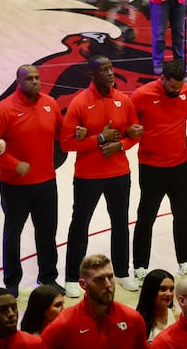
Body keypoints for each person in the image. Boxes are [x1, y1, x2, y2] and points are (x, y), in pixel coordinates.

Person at [59, 56, 141, 298]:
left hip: (119, 173)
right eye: (103, 70)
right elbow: (66, 143)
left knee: (120, 223)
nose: (110, 73)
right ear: (92, 75)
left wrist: (121, 146)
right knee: (80, 225)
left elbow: (135, 132)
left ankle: (123, 272)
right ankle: (72, 277)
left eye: (111, 68)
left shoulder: (124, 100)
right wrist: (100, 139)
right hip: (88, 176)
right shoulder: (79, 103)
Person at [0, 65, 62, 298]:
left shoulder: (50, 103)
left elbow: (61, 131)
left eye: (37, 78)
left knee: (47, 232)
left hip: (46, 181)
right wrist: (12, 163)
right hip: (15, 185)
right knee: (13, 233)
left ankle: (48, 277)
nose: (35, 82)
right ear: (19, 82)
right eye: (30, 79)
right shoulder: (5, 109)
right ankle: (12, 282)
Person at [130, 61, 187, 279]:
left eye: (180, 87)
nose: (177, 91)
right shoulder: (141, 95)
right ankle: (140, 266)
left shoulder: (186, 91)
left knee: (183, 215)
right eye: (172, 87)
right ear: (163, 79)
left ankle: (184, 260)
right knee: (146, 217)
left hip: (181, 164)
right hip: (152, 167)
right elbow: (127, 125)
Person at [42, 254, 148, 349]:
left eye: (110, 277)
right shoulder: (63, 324)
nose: (108, 285)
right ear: (83, 284)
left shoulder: (133, 319)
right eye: (100, 279)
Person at [135, 269, 177, 341]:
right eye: (163, 289)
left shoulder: (178, 317)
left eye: (171, 289)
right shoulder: (137, 322)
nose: (169, 294)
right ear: (150, 291)